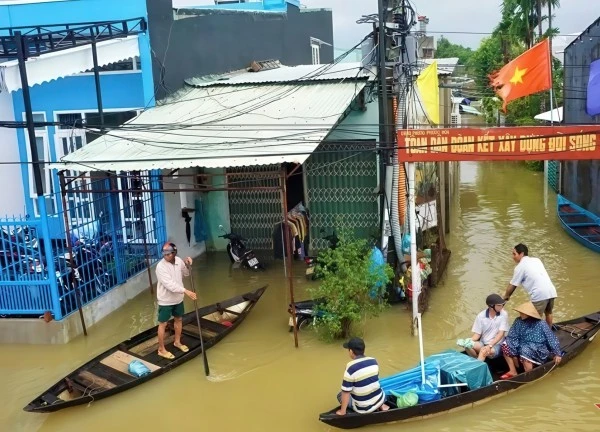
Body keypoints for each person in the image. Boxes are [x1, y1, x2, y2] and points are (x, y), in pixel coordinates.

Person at [499, 301, 562, 379]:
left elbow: (551, 338)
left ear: (528, 314)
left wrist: (557, 353)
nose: (520, 314)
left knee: (525, 350)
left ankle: (528, 374)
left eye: (522, 313)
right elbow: (512, 335)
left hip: (538, 347)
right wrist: (514, 352)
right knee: (505, 344)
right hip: (521, 343)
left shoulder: (541, 323)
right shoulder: (518, 321)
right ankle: (513, 371)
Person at [155, 242, 196, 360]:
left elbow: (186, 274)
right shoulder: (160, 267)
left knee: (178, 319)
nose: (166, 256)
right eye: (165, 254)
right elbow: (170, 285)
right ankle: (161, 349)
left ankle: (177, 342)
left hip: (178, 299)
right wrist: (186, 291)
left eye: (169, 254)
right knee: (163, 324)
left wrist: (187, 264)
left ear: (174, 253)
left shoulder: (178, 261)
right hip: (165, 300)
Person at [503, 243, 557, 326]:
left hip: (539, 294)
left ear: (521, 254)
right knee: (548, 313)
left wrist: (505, 297)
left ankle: (536, 338)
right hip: (551, 291)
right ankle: (548, 334)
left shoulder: (520, 266)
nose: (513, 257)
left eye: (514, 254)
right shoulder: (536, 260)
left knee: (533, 318)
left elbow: (512, 285)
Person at [336, 337, 389, 416]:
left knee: (340, 394)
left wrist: (342, 411)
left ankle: (352, 409)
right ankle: (381, 405)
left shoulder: (350, 367)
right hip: (380, 400)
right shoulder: (373, 361)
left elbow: (346, 392)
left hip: (363, 409)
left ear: (351, 351)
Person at [464, 294, 510, 361]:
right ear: (491, 306)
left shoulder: (504, 314)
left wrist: (490, 345)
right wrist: (467, 340)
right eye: (499, 305)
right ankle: (478, 360)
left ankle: (478, 365)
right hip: (483, 343)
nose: (502, 307)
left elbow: (501, 334)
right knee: (467, 345)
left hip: (497, 345)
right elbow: (477, 335)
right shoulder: (481, 316)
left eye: (502, 304)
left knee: (483, 351)